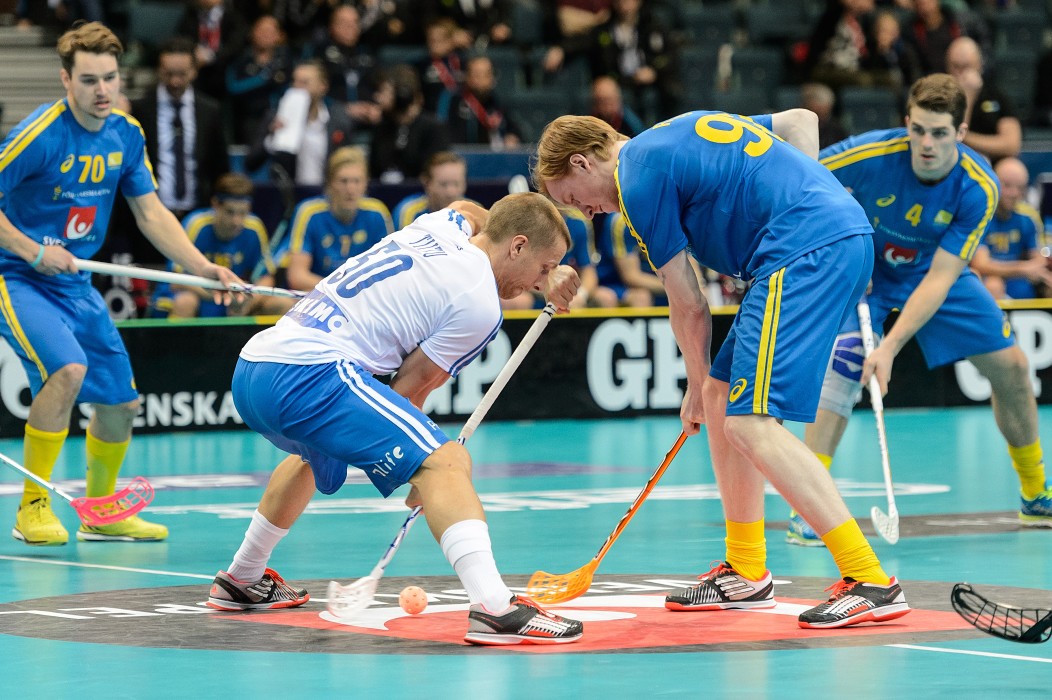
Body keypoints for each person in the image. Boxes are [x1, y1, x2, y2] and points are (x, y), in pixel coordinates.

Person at [534, 110, 911, 629]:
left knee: (747, 421)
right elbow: (799, 120)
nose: (592, 211)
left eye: (577, 198)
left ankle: (869, 578)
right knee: (719, 396)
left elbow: (687, 301)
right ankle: (746, 569)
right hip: (816, 240)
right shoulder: (673, 131)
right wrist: (808, 195)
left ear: (582, 161)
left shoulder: (635, 178)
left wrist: (689, 378)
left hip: (801, 250)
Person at [205, 192, 586, 646]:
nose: (542, 282)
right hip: (311, 373)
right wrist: (419, 473)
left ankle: (242, 578)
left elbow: (468, 208)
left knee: (318, 452)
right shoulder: (481, 303)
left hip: (256, 367)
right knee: (446, 464)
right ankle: (495, 608)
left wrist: (540, 261)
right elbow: (409, 387)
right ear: (517, 246)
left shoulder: (442, 227)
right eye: (544, 268)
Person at [0, 22, 243, 546]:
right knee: (66, 371)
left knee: (120, 401)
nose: (102, 90)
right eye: (89, 80)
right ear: (66, 80)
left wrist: (201, 268)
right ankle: (32, 508)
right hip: (16, 273)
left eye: (109, 77)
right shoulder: (41, 134)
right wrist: (33, 250)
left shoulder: (126, 134)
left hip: (75, 280)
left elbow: (151, 213)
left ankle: (101, 513)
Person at [795, 74, 1051, 548]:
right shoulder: (870, 152)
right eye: (919, 130)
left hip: (932, 272)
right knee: (847, 361)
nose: (927, 144)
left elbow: (940, 279)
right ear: (906, 122)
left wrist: (891, 347)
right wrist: (839, 240)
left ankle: (1036, 495)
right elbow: (799, 178)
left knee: (1013, 368)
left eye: (940, 133)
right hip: (863, 266)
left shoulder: (978, 186)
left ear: (962, 130)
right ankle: (810, 508)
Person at [151, 172, 289, 318]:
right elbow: (176, 281)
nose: (237, 221)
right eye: (230, 212)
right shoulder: (196, 225)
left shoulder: (254, 228)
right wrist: (224, 296)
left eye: (243, 213)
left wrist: (247, 303)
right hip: (192, 295)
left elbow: (267, 277)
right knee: (186, 302)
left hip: (233, 301)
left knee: (282, 304)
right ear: (215, 204)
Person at [132, 37, 230, 226]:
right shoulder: (141, 109)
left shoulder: (210, 110)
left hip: (198, 215)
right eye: (168, 74)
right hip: (150, 215)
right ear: (159, 70)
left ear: (194, 71)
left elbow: (220, 165)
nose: (175, 81)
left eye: (182, 74)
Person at [285, 146, 392, 292]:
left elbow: (389, 272)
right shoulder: (309, 213)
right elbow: (297, 276)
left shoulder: (377, 213)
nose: (350, 189)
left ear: (366, 183)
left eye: (357, 181)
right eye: (343, 181)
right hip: (318, 296)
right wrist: (343, 291)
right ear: (329, 184)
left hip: (362, 298)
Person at [245, 60, 356, 187]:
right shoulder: (275, 117)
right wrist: (272, 139)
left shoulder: (339, 121)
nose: (297, 87)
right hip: (289, 197)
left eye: (304, 83)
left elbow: (348, 162)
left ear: (323, 86)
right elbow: (250, 164)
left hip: (326, 195)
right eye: (295, 82)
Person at [971, 157, 1052, 299]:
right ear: (993, 184)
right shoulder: (979, 217)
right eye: (1007, 186)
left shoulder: (1027, 219)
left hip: (1018, 280)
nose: (1014, 193)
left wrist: (1037, 269)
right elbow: (981, 264)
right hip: (986, 280)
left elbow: (1038, 258)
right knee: (994, 284)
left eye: (1020, 188)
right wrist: (1022, 268)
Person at [369, 64, 452, 185]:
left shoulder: (433, 128)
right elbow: (374, 170)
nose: (377, 97)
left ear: (402, 94)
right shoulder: (381, 127)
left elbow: (435, 174)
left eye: (384, 91)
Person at [945, 36, 1021, 163]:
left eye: (967, 66)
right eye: (956, 66)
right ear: (947, 67)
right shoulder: (939, 96)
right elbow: (951, 142)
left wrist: (967, 138)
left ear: (979, 65)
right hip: (953, 160)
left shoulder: (995, 95)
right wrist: (967, 96)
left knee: (1012, 170)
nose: (962, 73)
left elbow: (1012, 145)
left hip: (993, 161)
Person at [437, 54, 522, 149]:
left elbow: (514, 130)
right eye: (476, 74)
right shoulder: (453, 100)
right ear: (467, 77)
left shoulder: (497, 102)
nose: (481, 79)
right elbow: (444, 132)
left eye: (486, 74)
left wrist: (512, 137)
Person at [391, 151, 468, 230]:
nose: (450, 192)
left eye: (457, 184)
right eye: (443, 184)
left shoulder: (474, 211)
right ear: (427, 183)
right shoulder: (408, 212)